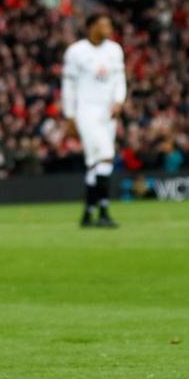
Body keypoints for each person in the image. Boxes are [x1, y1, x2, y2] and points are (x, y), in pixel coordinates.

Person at [62, 13, 127, 228]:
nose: (108, 28)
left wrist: (119, 101)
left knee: (94, 164)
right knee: (106, 156)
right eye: (103, 25)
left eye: (109, 24)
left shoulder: (115, 50)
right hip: (86, 110)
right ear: (91, 27)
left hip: (108, 112)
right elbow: (69, 86)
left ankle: (88, 213)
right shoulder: (76, 51)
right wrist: (69, 115)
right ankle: (104, 212)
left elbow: (119, 79)